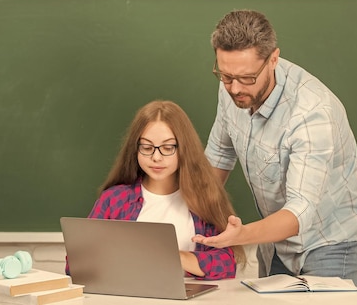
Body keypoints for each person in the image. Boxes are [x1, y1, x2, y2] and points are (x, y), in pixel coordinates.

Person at [193, 9, 357, 288]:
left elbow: (300, 210)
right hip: (276, 242)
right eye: (225, 76)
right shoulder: (232, 86)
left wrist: (239, 236)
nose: (235, 88)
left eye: (247, 78)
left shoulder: (312, 113)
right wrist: (192, 210)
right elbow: (220, 152)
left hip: (330, 241)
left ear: (273, 59)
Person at [85, 100, 245, 280]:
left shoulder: (205, 198)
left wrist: (171, 255)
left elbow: (226, 265)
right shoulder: (114, 199)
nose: (156, 157)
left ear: (184, 149)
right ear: (135, 149)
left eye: (168, 148)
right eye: (146, 147)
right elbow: (78, 263)